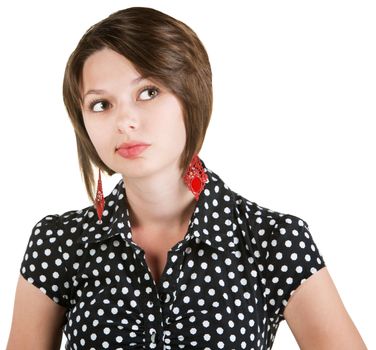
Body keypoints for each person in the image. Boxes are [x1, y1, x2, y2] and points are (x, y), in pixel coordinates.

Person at [7, 6, 367, 350]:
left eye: (148, 92)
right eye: (101, 104)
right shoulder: (59, 244)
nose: (124, 121)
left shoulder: (272, 240)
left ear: (190, 95)